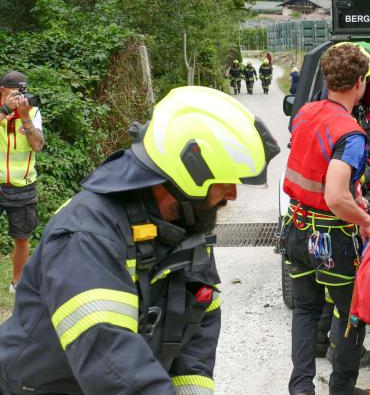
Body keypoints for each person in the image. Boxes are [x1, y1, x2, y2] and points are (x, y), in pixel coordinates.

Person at [0, 86, 279, 394]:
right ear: (188, 172)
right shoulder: (87, 234)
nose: (232, 194)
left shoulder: (185, 230)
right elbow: (110, 360)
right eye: (225, 180)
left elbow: (199, 329)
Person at [281, 42, 370, 395]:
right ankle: (341, 389)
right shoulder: (350, 133)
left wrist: (353, 194)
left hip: (296, 227)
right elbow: (335, 196)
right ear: (359, 83)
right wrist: (365, 221)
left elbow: (316, 166)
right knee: (352, 312)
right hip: (332, 238)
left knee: (306, 311)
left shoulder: (305, 113)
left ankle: (301, 388)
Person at [0, 70, 45, 294]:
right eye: (14, 93)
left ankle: (17, 283)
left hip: (23, 185)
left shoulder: (32, 111)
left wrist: (25, 117)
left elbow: (38, 146)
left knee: (22, 237)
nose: (19, 98)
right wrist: (5, 110)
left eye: (22, 93)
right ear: (2, 91)